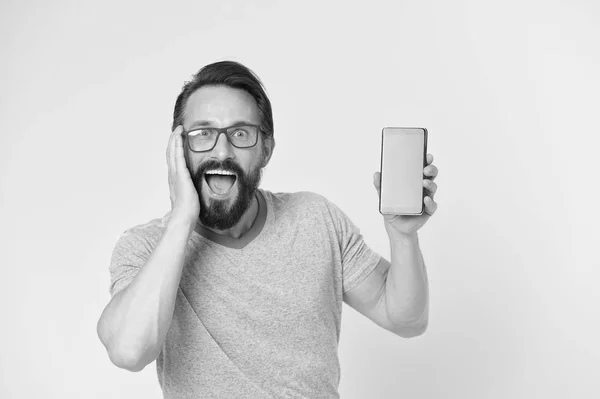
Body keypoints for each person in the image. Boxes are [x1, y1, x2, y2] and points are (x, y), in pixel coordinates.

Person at [96, 60, 439, 398]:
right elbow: (128, 351)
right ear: (179, 148)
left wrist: (403, 235)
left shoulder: (315, 220)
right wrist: (182, 219)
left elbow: (407, 319)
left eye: (240, 133)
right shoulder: (146, 247)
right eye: (202, 134)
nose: (222, 150)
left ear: (266, 149)